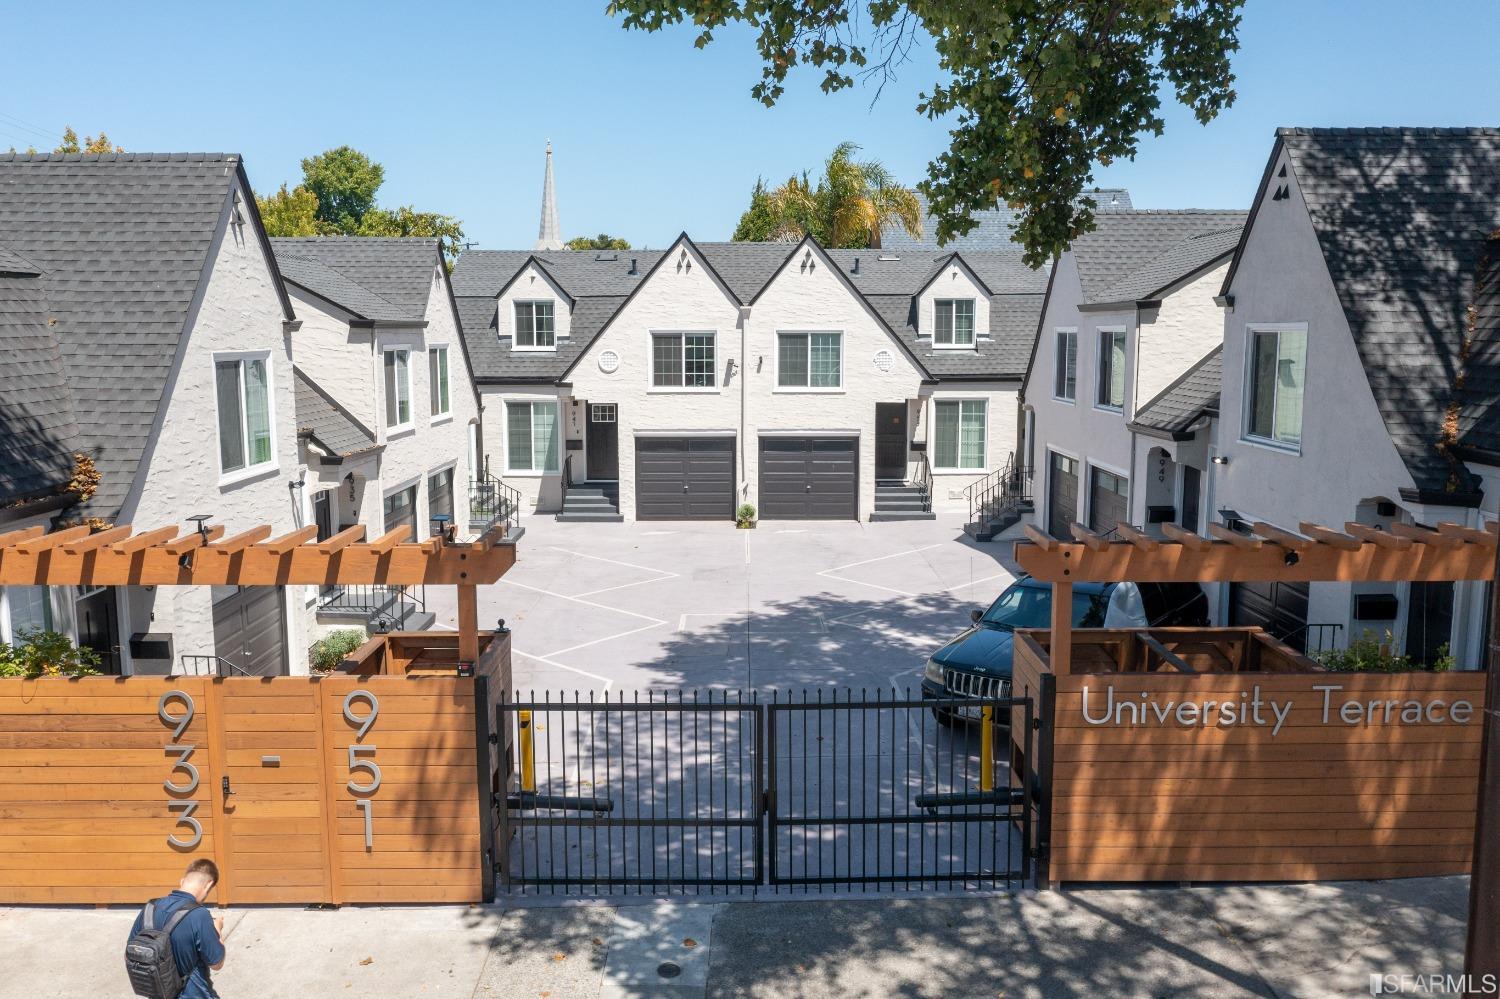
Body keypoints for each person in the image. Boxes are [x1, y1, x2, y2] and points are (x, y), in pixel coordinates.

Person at [128, 859, 227, 999]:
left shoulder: (149, 908)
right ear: (208, 885)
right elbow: (217, 963)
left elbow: (129, 954)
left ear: (182, 881)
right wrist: (218, 930)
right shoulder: (199, 915)